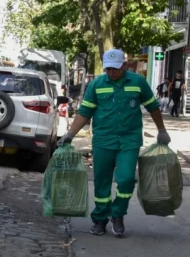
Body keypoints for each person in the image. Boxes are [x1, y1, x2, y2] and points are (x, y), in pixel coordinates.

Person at [60, 49, 170, 237]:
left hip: (129, 139)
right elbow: (85, 112)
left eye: (115, 69)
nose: (111, 73)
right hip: (104, 140)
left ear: (125, 66)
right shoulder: (96, 85)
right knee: (102, 181)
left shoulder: (137, 83)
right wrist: (70, 134)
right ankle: (100, 218)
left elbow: (153, 106)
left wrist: (161, 130)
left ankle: (118, 214)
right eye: (108, 69)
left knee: (126, 179)